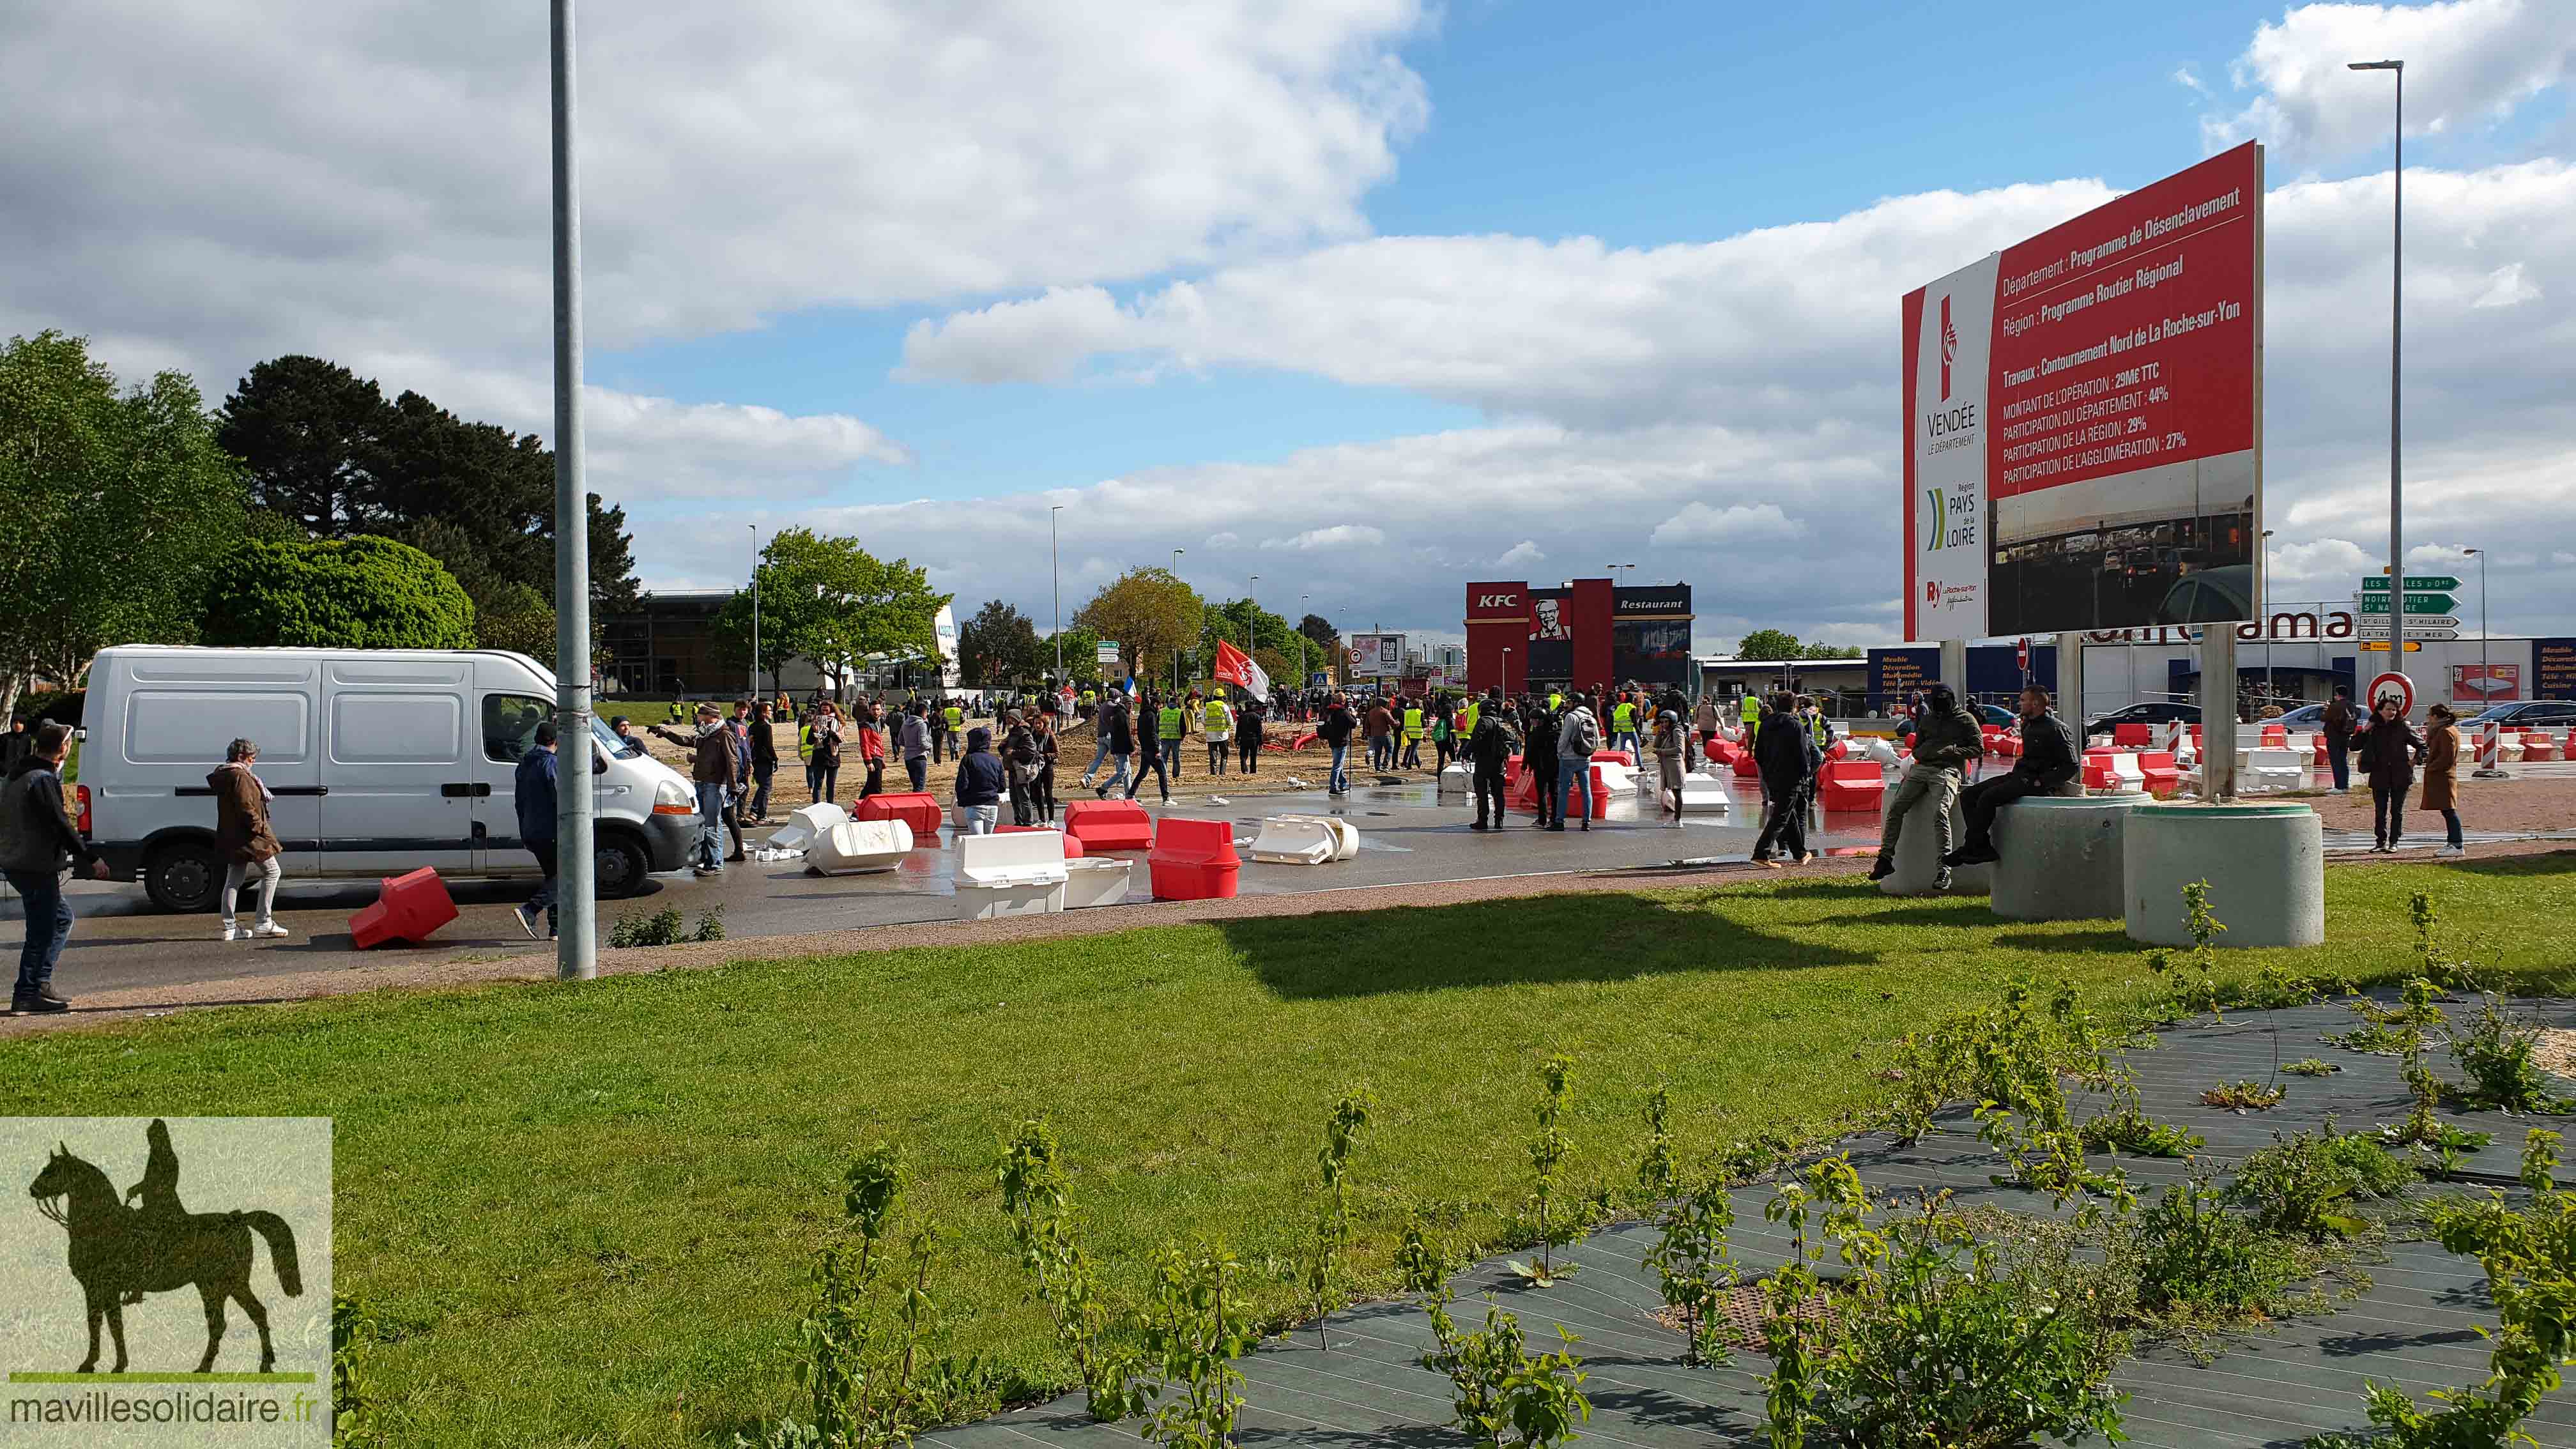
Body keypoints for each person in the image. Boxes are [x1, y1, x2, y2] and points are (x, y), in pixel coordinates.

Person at [3, 723, 107, 1014]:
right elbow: (60, 824)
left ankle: (40, 983)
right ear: (63, 748)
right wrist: (91, 857)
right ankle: (26, 994)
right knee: (42, 931)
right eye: (69, 744)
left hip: (19, 862)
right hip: (34, 864)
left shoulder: (18, 773)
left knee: (60, 919)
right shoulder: (40, 779)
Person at [1946, 686, 2079, 868]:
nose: (2019, 704)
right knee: (1969, 795)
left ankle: (1972, 846)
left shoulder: (2056, 728)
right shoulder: (2028, 724)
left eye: (2023, 700)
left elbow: (2071, 765)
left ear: (2036, 703)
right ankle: (1979, 846)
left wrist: (2043, 782)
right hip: (2019, 775)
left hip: (2034, 781)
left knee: (1988, 798)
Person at [1871, 684, 1980, 889]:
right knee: (1896, 809)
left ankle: (1944, 869)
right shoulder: (1929, 719)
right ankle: (1885, 860)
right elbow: (1917, 746)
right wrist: (1923, 754)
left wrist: (1953, 751)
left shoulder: (1965, 719)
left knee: (1940, 813)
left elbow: (1978, 748)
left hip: (1947, 770)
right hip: (1922, 769)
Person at [209, 737, 289, 942]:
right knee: (273, 872)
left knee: (234, 879)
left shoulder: (227, 774)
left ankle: (229, 927)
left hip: (233, 836)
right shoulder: (240, 776)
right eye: (252, 758)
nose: (253, 762)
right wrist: (260, 827)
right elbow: (246, 807)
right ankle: (264, 921)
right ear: (241, 757)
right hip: (249, 837)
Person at [650, 703, 738, 877]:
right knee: (704, 823)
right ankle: (707, 859)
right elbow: (686, 740)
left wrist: (733, 786)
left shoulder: (724, 734)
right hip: (702, 781)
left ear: (710, 716)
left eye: (700, 715)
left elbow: (732, 761)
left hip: (715, 784)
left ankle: (716, 864)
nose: (697, 717)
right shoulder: (707, 734)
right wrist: (666, 733)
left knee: (713, 824)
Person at [1751, 693, 1820, 866]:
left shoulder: (1766, 724)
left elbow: (1758, 753)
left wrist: (1767, 772)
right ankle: (1761, 853)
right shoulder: (1795, 725)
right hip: (1791, 776)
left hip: (1772, 776)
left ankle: (1800, 853)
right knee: (1782, 815)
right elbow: (1802, 754)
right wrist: (1805, 776)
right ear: (1794, 706)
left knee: (1788, 814)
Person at [2350, 694, 2425, 853]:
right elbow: (2354, 746)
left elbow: (2422, 745)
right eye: (2388, 709)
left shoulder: (2403, 727)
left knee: (2396, 810)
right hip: (2379, 773)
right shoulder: (2373, 728)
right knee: (2380, 811)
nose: (2392, 713)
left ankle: (2394, 841)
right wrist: (2365, 731)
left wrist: (2415, 761)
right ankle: (2380, 842)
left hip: (2400, 774)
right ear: (2380, 711)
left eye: (2394, 710)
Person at [512, 721, 561, 939]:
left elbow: (519, 802)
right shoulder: (550, 764)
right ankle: (530, 910)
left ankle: (557, 929)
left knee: (554, 876)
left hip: (531, 829)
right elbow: (559, 797)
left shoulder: (524, 764)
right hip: (550, 830)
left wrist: (524, 829)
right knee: (566, 876)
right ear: (555, 741)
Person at [1466, 689, 1517, 830]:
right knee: (1498, 793)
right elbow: (1513, 737)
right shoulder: (1502, 721)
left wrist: (1466, 754)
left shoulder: (1483, 721)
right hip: (1499, 762)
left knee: (1482, 792)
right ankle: (1499, 820)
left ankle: (1483, 820)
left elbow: (1475, 740)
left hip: (1483, 761)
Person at [2422, 703, 2465, 857]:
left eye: (2429, 715)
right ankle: (2452, 842)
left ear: (2435, 717)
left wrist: (2431, 767)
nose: (2428, 718)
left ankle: (2457, 844)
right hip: (2443, 776)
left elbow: (2446, 757)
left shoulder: (2445, 732)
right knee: (2447, 810)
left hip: (2443, 777)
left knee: (2449, 811)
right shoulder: (2446, 730)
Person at [1553, 696, 1600, 831]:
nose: (1566, 704)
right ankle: (1586, 822)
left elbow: (1564, 737)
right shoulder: (1591, 718)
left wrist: (1560, 753)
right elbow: (1597, 740)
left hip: (1568, 758)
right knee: (1586, 790)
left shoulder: (1571, 717)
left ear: (1575, 703)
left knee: (1563, 790)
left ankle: (1559, 821)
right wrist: (1589, 754)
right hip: (1585, 758)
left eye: (1568, 702)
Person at [954, 726, 1006, 834]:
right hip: (992, 807)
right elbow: (1002, 787)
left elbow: (962, 784)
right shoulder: (996, 760)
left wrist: (963, 801)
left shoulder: (968, 759)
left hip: (974, 806)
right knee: (987, 843)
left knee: (977, 842)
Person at [1126, 693, 1172, 804]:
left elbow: (1141, 733)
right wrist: (1157, 750)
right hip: (1152, 749)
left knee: (1142, 773)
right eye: (1160, 705)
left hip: (1145, 748)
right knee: (1162, 773)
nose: (1160, 707)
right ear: (1156, 704)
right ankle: (1166, 798)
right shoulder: (1151, 715)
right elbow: (1153, 733)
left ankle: (1130, 795)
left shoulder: (1142, 715)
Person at [1523, 694, 1561, 828]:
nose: (1532, 722)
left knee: (1542, 794)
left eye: (1534, 720)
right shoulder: (1555, 732)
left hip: (1541, 767)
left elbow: (1528, 751)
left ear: (1540, 721)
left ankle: (1542, 819)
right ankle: (1555, 818)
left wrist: (1525, 765)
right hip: (1555, 766)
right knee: (1555, 793)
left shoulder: (1535, 735)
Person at [1650, 709, 1687, 826]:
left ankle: (1678, 820)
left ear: (1672, 721)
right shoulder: (1666, 733)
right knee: (1674, 792)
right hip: (1667, 766)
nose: (1664, 724)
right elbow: (1655, 746)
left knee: (1677, 793)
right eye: (1662, 722)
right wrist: (1660, 733)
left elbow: (1679, 749)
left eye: (1666, 722)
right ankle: (1676, 820)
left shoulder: (1676, 731)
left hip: (1675, 766)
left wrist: (1662, 752)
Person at [1094, 695, 1135, 799]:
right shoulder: (1123, 714)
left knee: (1128, 772)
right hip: (1122, 747)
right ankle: (1103, 788)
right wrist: (1132, 748)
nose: (1131, 706)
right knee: (1123, 772)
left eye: (1132, 704)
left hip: (1119, 746)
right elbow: (1127, 733)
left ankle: (1130, 795)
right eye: (1129, 704)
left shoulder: (1119, 713)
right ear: (1124, 704)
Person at [1318, 693, 1357, 795]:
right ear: (1344, 701)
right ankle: (1333, 787)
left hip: (1332, 740)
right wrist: (1354, 715)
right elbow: (1353, 724)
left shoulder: (1329, 710)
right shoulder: (1344, 712)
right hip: (1342, 741)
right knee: (1337, 765)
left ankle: (1343, 783)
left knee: (1339, 764)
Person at [2320, 686, 2357, 793]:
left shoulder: (2335, 706)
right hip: (2346, 736)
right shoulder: (2351, 705)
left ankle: (2339, 786)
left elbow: (2324, 718)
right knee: (2343, 760)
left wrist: (2326, 709)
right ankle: (2345, 785)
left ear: (2337, 694)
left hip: (2334, 737)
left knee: (2336, 761)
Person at [807, 701, 844, 807]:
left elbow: (840, 739)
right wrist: (815, 733)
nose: (824, 713)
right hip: (819, 756)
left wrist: (830, 731)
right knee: (818, 783)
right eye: (822, 710)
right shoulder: (816, 722)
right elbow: (809, 741)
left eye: (826, 710)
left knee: (831, 785)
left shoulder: (838, 723)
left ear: (832, 710)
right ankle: (816, 806)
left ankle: (830, 806)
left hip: (833, 756)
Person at [747, 702, 779, 821]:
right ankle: (759, 812)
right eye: (769, 711)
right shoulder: (766, 727)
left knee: (762, 786)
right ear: (763, 713)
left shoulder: (753, 726)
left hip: (755, 759)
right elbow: (768, 745)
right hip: (764, 759)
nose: (771, 713)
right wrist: (775, 758)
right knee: (766, 787)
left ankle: (756, 812)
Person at [1029, 712, 1061, 825]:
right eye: (1036, 723)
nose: (1037, 726)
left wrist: (1045, 756)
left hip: (1047, 767)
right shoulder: (1033, 734)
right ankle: (1042, 819)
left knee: (1048, 793)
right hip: (1036, 767)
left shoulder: (1050, 735)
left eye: (1039, 723)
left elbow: (1057, 753)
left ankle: (1051, 819)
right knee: (1037, 793)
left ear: (1044, 723)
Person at [898, 701, 931, 792]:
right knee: (920, 787)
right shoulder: (922, 724)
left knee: (916, 786)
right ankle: (918, 805)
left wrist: (910, 745)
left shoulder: (905, 723)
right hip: (919, 757)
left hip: (908, 758)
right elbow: (923, 743)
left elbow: (900, 741)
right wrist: (930, 746)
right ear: (924, 712)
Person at [1158, 693, 1189, 783]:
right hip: (1176, 738)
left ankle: (1163, 774)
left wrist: (1158, 735)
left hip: (1164, 738)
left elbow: (1156, 724)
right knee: (1176, 758)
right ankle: (1176, 775)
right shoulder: (1179, 712)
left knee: (1164, 758)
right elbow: (1183, 726)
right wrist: (1183, 736)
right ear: (1177, 703)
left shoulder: (1162, 712)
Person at [1202, 693, 1234, 776]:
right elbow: (1231, 721)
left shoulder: (1207, 707)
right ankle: (1222, 773)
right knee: (1224, 755)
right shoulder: (1225, 707)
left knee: (1213, 754)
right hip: (1223, 735)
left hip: (1211, 736)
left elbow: (1203, 720)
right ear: (1222, 697)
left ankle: (1213, 773)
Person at [1237, 696, 1266, 774]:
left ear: (1246, 707)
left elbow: (1238, 729)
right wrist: (1261, 742)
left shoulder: (1242, 716)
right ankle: (1253, 771)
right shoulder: (1257, 717)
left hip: (1244, 739)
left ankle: (1244, 769)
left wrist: (1237, 739)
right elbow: (1260, 731)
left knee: (1243, 756)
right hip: (1254, 739)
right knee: (1253, 756)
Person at [1401, 699, 1424, 769]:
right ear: (1419, 705)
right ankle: (1409, 764)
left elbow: (1405, 723)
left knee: (1414, 748)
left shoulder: (1407, 712)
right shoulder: (1420, 712)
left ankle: (1418, 763)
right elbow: (1424, 725)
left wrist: (1406, 732)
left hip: (1409, 732)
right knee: (1414, 749)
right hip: (1418, 733)